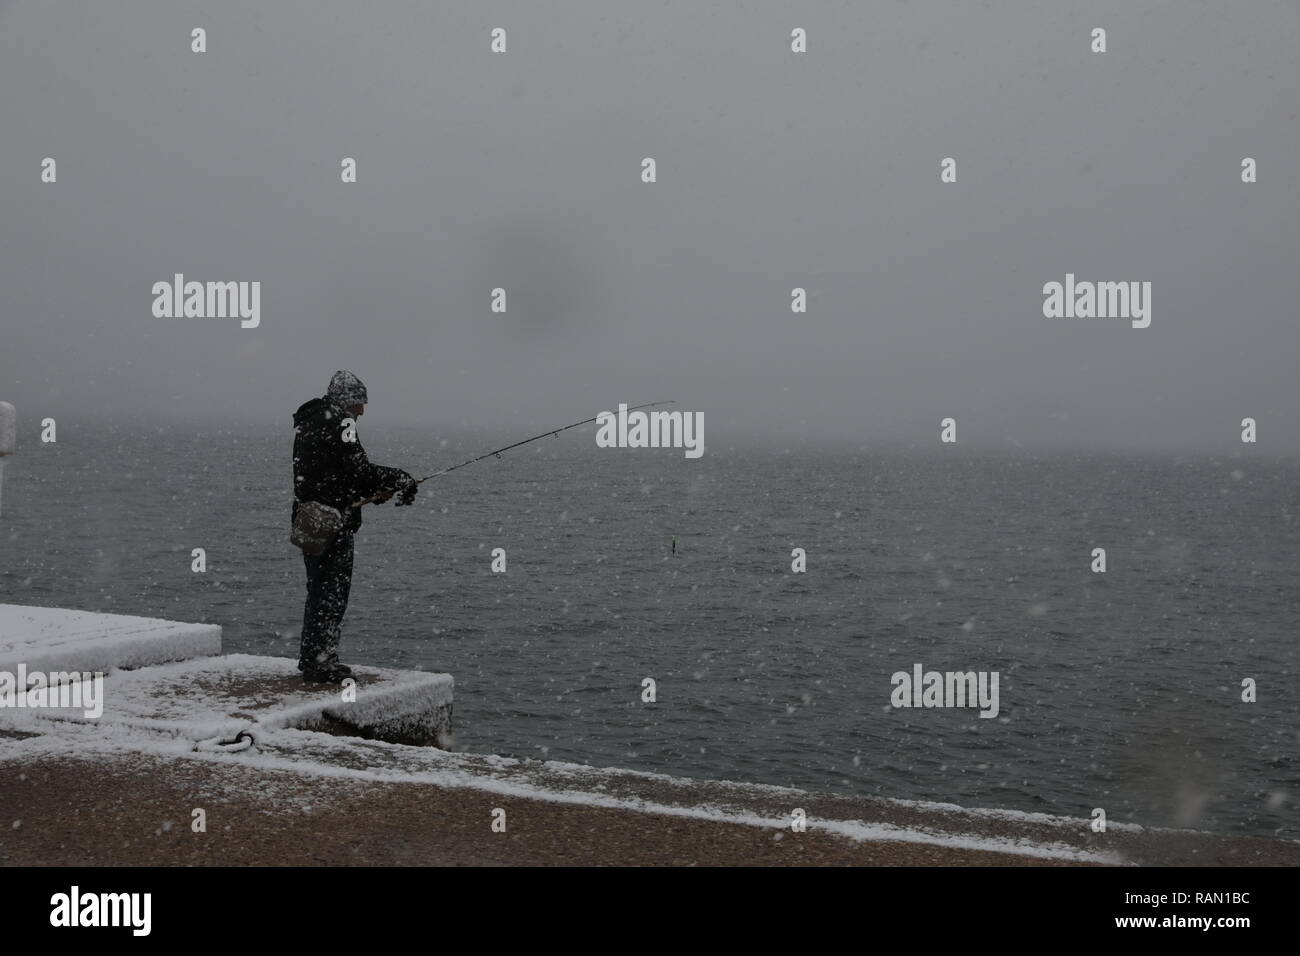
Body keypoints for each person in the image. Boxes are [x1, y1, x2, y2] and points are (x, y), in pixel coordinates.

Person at [291, 370, 418, 683]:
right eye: (359, 402)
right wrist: (401, 478)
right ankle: (321, 662)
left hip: (309, 517)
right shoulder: (341, 422)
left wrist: (364, 494)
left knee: (318, 590)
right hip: (332, 521)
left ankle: (313, 658)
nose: (362, 410)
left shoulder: (310, 420)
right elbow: (359, 470)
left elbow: (329, 475)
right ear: (347, 400)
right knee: (332, 593)